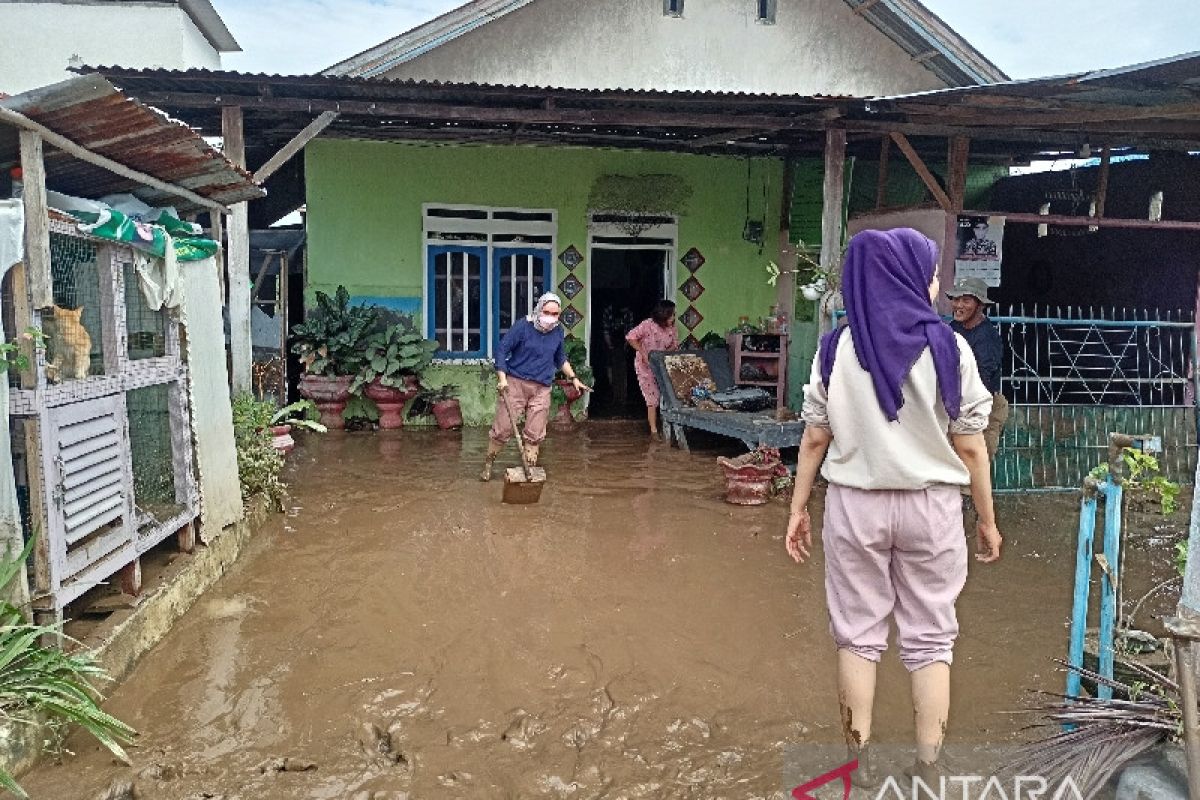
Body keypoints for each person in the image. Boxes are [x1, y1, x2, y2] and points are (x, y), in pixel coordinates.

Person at [784, 228, 1003, 785]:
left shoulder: (836, 347)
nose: (936, 285)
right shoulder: (950, 346)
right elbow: (971, 442)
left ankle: (856, 767)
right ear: (906, 277)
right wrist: (987, 520)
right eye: (931, 273)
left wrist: (797, 507)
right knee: (931, 638)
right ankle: (928, 766)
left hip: (855, 507)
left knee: (858, 636)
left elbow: (814, 437)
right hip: (932, 509)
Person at [479, 292, 588, 482]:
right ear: (539, 310)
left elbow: (560, 358)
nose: (550, 318)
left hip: (542, 388)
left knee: (535, 433)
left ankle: (529, 473)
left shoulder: (557, 332)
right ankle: (488, 464)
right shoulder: (523, 327)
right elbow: (502, 349)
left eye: (555, 314)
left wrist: (573, 378)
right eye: (547, 312)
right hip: (515, 383)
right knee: (502, 429)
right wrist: (502, 378)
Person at [946, 276, 1008, 463]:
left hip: (982, 406)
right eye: (956, 299)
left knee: (975, 464)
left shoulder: (987, 338)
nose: (959, 305)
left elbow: (984, 381)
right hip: (957, 404)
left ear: (980, 305)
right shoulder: (953, 328)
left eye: (966, 300)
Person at [626, 300, 679, 439]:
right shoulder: (647, 325)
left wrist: (666, 355)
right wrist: (643, 352)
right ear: (664, 314)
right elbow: (631, 337)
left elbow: (674, 345)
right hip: (645, 367)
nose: (673, 318)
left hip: (662, 366)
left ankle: (667, 428)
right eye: (672, 315)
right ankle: (654, 431)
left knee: (667, 395)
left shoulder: (672, 328)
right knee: (652, 398)